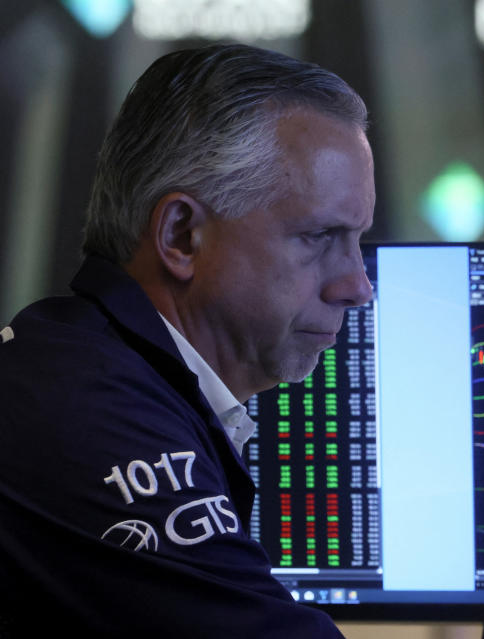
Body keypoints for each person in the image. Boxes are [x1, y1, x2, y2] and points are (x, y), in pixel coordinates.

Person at [0, 43, 374, 637]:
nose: (358, 286)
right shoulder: (86, 409)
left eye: (356, 240)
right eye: (320, 236)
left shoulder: (87, 365)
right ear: (180, 236)